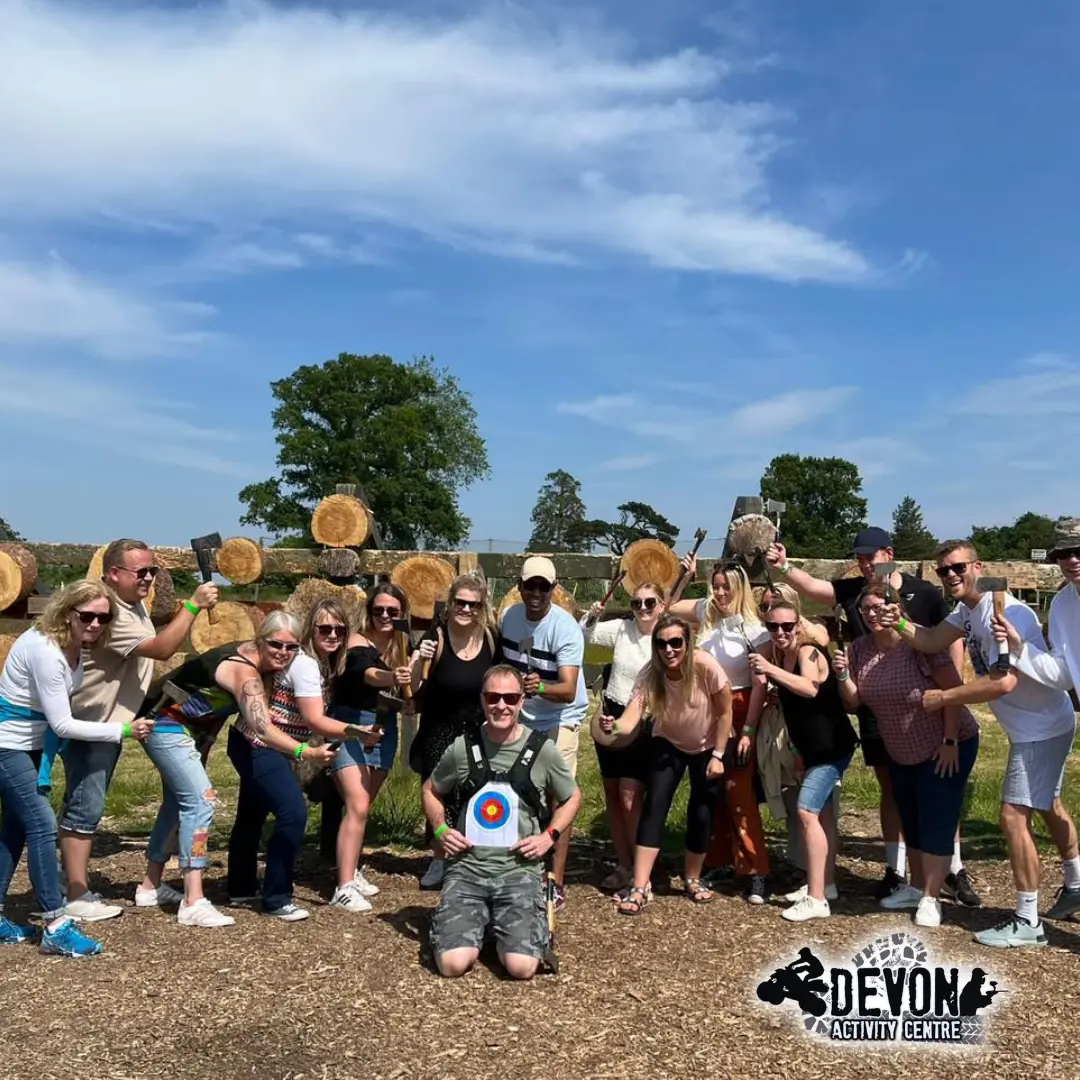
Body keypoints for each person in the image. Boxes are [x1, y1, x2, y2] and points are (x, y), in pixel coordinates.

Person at [766, 527, 979, 906]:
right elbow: (815, 589)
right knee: (894, 787)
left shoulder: (924, 592)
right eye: (860, 557)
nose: (865, 563)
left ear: (889, 553)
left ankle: (953, 869)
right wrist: (784, 568)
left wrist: (953, 692)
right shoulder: (854, 592)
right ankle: (897, 871)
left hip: (925, 701)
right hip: (877, 704)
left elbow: (951, 640)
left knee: (939, 792)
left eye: (872, 556)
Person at [882, 540, 1080, 947]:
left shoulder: (1008, 610)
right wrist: (899, 624)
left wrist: (944, 698)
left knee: (1012, 814)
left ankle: (1028, 920)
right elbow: (935, 639)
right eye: (943, 571)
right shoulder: (967, 610)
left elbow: (1004, 680)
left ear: (978, 566)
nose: (951, 575)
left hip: (1039, 727)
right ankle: (1076, 883)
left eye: (958, 567)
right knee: (1048, 804)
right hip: (1039, 724)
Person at [136, 611, 337, 926]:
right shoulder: (247, 676)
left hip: (181, 726)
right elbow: (263, 729)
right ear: (260, 640)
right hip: (163, 724)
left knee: (177, 802)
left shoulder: (250, 657)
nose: (283, 653)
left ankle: (150, 886)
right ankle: (193, 900)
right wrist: (306, 751)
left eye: (292, 648)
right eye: (276, 645)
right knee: (201, 801)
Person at [55, 538, 219, 923]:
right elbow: (162, 649)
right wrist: (193, 605)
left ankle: (70, 880)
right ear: (114, 574)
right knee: (85, 806)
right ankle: (75, 893)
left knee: (86, 803)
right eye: (141, 572)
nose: (149, 578)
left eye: (153, 571)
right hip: (91, 722)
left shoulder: (132, 604)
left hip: (112, 723)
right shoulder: (110, 611)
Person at [0, 580, 153, 956]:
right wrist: (124, 730)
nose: (96, 624)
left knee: (15, 829)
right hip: (7, 745)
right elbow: (63, 724)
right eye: (88, 616)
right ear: (67, 612)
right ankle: (55, 922)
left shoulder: (75, 647)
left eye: (104, 617)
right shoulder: (47, 652)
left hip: (31, 744)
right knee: (41, 824)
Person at [834, 582, 980, 928]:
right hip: (900, 748)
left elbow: (953, 691)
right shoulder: (859, 649)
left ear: (897, 607)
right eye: (866, 609)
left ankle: (932, 897)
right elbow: (853, 701)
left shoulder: (920, 643)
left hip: (945, 742)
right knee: (911, 818)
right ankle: (915, 887)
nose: (873, 614)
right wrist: (841, 673)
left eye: (880, 606)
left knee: (936, 819)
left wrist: (949, 741)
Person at [422, 664, 581, 980]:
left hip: (518, 871)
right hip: (469, 870)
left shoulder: (542, 751)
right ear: (482, 700)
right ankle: (469, 923)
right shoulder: (462, 748)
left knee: (521, 968)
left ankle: (504, 925)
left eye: (510, 698)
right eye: (493, 697)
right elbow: (430, 790)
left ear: (522, 701)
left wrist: (550, 835)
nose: (501, 706)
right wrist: (441, 829)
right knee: (452, 965)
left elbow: (572, 797)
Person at [226, 601, 374, 918]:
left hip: (249, 739)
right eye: (324, 628)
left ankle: (240, 887)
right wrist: (357, 732)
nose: (332, 635)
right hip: (261, 742)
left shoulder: (313, 661)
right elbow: (314, 720)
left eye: (339, 629)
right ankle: (277, 897)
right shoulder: (305, 664)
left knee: (251, 813)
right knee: (292, 812)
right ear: (311, 630)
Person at [748, 596, 859, 922]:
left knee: (806, 811)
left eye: (787, 625)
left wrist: (769, 671)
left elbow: (810, 688)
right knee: (822, 816)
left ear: (799, 625)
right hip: (813, 750)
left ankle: (816, 900)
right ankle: (825, 883)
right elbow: (793, 714)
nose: (780, 632)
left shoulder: (808, 652)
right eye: (773, 626)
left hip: (832, 749)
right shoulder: (780, 656)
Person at [615, 615, 734, 915]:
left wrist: (719, 755)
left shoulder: (705, 666)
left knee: (702, 809)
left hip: (709, 743)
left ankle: (692, 877)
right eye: (661, 643)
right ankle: (640, 886)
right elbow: (632, 717)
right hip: (668, 740)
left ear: (688, 643)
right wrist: (612, 727)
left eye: (675, 642)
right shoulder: (650, 673)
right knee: (655, 803)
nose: (669, 650)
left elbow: (725, 712)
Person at [669, 559, 770, 903]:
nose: (721, 592)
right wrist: (686, 577)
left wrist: (749, 730)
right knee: (710, 789)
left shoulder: (755, 630)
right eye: (716, 585)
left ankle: (756, 869)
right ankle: (719, 859)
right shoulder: (706, 613)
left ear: (740, 588)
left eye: (727, 586)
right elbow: (667, 606)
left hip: (740, 707)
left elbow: (760, 685)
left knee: (738, 789)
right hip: (706, 709)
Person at [498, 556, 588, 911]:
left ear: (553, 589)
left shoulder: (565, 629)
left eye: (544, 586)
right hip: (524, 715)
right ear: (520, 587)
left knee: (560, 798)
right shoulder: (509, 618)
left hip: (559, 716)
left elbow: (567, 689)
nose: (536, 592)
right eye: (530, 585)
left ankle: (556, 880)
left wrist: (540, 688)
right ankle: (518, 868)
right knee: (516, 790)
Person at [410, 573, 502, 890]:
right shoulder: (435, 636)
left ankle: (471, 860)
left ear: (482, 608)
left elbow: (502, 678)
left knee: (475, 796)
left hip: (478, 729)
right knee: (437, 794)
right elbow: (414, 686)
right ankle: (438, 859)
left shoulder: (491, 638)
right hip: (440, 727)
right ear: (450, 604)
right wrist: (417, 662)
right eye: (460, 603)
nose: (466, 609)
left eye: (473, 605)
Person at [327, 584, 413, 912]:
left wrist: (415, 670)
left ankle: (351, 868)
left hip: (384, 725)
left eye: (393, 611)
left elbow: (412, 687)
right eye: (379, 610)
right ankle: (344, 886)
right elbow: (368, 674)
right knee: (358, 803)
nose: (386, 616)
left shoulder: (401, 644)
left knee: (364, 804)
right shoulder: (356, 642)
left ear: (402, 612)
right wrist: (392, 675)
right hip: (349, 724)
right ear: (370, 612)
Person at [579, 581, 663, 894]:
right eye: (636, 603)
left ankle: (643, 872)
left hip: (644, 718)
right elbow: (585, 636)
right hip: (611, 713)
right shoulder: (621, 629)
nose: (643, 608)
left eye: (650, 602)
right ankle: (624, 864)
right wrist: (592, 615)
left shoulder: (664, 637)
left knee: (631, 796)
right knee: (613, 793)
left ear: (662, 605)